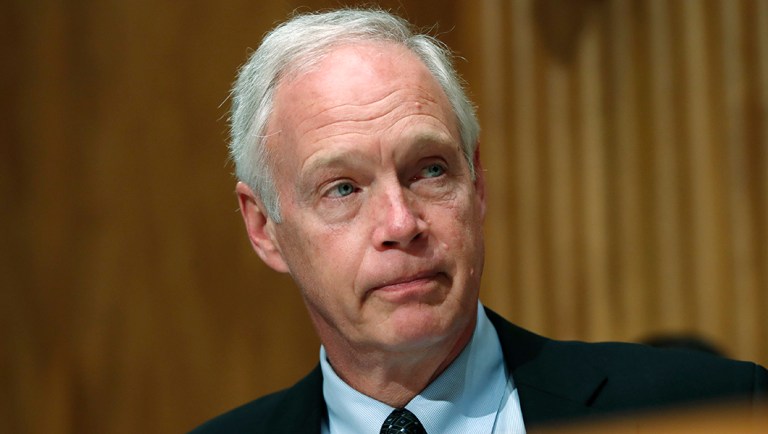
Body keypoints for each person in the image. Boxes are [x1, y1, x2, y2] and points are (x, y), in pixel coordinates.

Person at [192, 8, 767, 433]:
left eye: (430, 170)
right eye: (343, 187)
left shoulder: (715, 407)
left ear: (478, 183)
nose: (401, 221)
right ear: (265, 228)